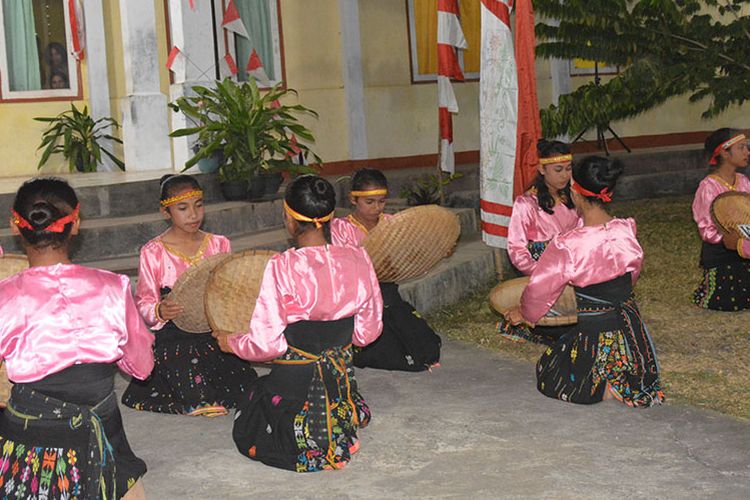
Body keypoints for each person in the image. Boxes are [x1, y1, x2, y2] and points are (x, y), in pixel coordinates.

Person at [214, 175, 382, 472]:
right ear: (332, 216)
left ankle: (307, 437)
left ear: (289, 219)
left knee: (254, 399)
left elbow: (266, 345)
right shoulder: (360, 258)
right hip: (336, 381)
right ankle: (337, 427)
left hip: (295, 384)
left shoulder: (282, 267)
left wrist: (230, 341)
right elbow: (367, 333)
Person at [0, 178, 154, 499]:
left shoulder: (5, 295)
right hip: (103, 427)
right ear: (76, 224)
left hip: (32, 434)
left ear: (16, 227)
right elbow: (141, 366)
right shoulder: (114, 287)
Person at [506, 156, 664, 407]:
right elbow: (633, 273)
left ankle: (604, 385)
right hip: (631, 329)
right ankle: (627, 378)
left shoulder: (568, 245)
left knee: (550, 372)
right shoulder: (625, 229)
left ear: (576, 193)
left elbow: (540, 289)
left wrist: (524, 313)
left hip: (594, 333)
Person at [121, 174, 256, 417]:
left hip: (212, 328)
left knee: (243, 383)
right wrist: (159, 311)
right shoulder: (154, 251)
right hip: (175, 334)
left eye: (199, 205)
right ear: (166, 212)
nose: (193, 215)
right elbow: (144, 300)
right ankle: (196, 396)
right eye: (182, 208)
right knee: (185, 369)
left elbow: (229, 288)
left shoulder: (219, 243)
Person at [330, 168, 442, 371]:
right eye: (369, 202)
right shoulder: (340, 228)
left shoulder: (392, 224)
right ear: (353, 199)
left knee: (426, 346)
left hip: (388, 294)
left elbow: (406, 256)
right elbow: (340, 269)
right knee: (386, 352)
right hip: (358, 300)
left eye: (381, 201)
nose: (377, 208)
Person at [498, 140, 580, 344]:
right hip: (542, 264)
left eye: (568, 169)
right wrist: (539, 273)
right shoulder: (526, 203)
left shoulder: (574, 198)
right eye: (558, 169)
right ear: (542, 169)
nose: (564, 175)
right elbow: (516, 248)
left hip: (570, 260)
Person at [692, 128, 750, 310]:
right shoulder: (708, 186)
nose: (747, 152)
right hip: (722, 251)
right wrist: (728, 239)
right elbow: (706, 227)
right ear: (725, 153)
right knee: (730, 300)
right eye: (741, 147)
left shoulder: (743, 181)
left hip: (745, 246)